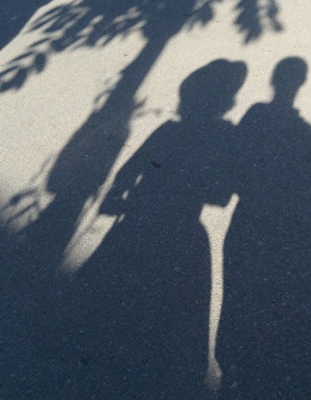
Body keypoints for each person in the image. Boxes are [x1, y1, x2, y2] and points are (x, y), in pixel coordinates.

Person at [67, 60, 247, 397]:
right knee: (168, 318)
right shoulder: (223, 135)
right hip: (179, 230)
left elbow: (127, 174)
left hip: (142, 224)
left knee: (117, 308)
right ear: (227, 100)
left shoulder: (173, 130)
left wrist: (125, 197)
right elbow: (221, 195)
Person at [218, 57, 311, 396]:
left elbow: (232, 171)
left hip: (252, 218)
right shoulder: (307, 135)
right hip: (287, 226)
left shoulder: (257, 118)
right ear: (301, 83)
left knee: (242, 297)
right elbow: (310, 193)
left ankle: (237, 376)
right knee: (272, 300)